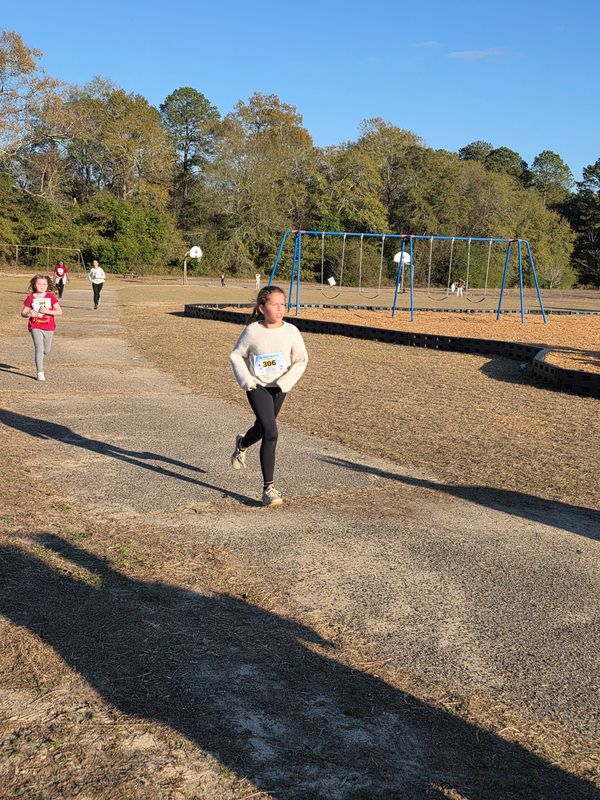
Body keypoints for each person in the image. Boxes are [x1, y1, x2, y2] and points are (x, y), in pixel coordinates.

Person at [230, 285, 308, 507]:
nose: (280, 309)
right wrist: (247, 381)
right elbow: (236, 356)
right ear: (262, 308)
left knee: (263, 428)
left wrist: (286, 382)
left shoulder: (291, 331)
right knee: (271, 432)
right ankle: (268, 489)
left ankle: (242, 444)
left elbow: (301, 360)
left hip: (279, 387)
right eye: (275, 305)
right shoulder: (252, 331)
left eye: (283, 304)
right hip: (258, 387)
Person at [21, 274, 63, 381]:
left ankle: (39, 357)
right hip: (35, 326)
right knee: (39, 348)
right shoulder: (30, 298)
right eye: (39, 284)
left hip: (49, 326)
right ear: (35, 285)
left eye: (44, 284)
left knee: (46, 350)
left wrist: (47, 311)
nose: (42, 286)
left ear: (48, 285)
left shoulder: (51, 297)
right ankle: (40, 372)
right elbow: (23, 312)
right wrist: (28, 313)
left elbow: (59, 312)